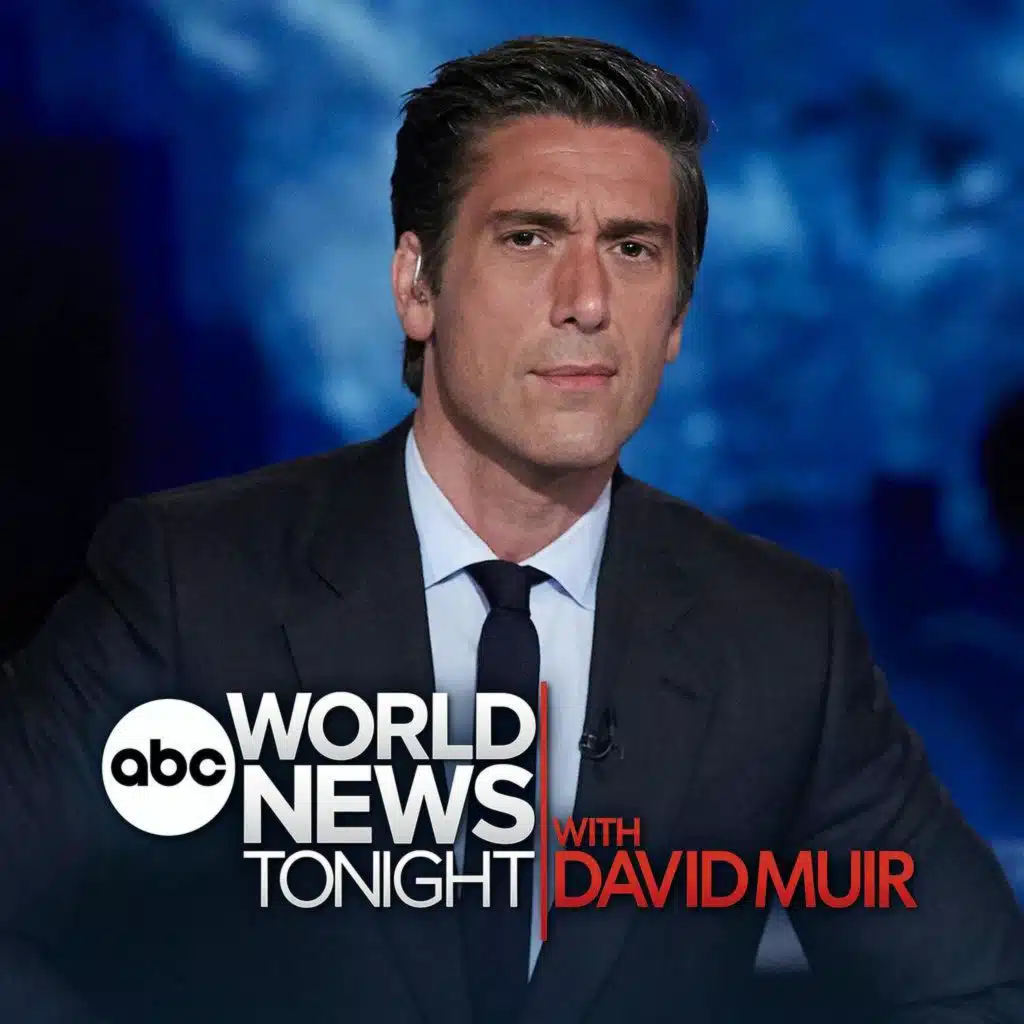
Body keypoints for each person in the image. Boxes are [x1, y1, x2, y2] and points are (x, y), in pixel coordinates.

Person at [1, 34, 1023, 1024]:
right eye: (528, 239)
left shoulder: (783, 638)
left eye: (632, 249)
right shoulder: (192, 587)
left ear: (674, 320)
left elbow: (977, 989)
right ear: (418, 286)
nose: (586, 302)